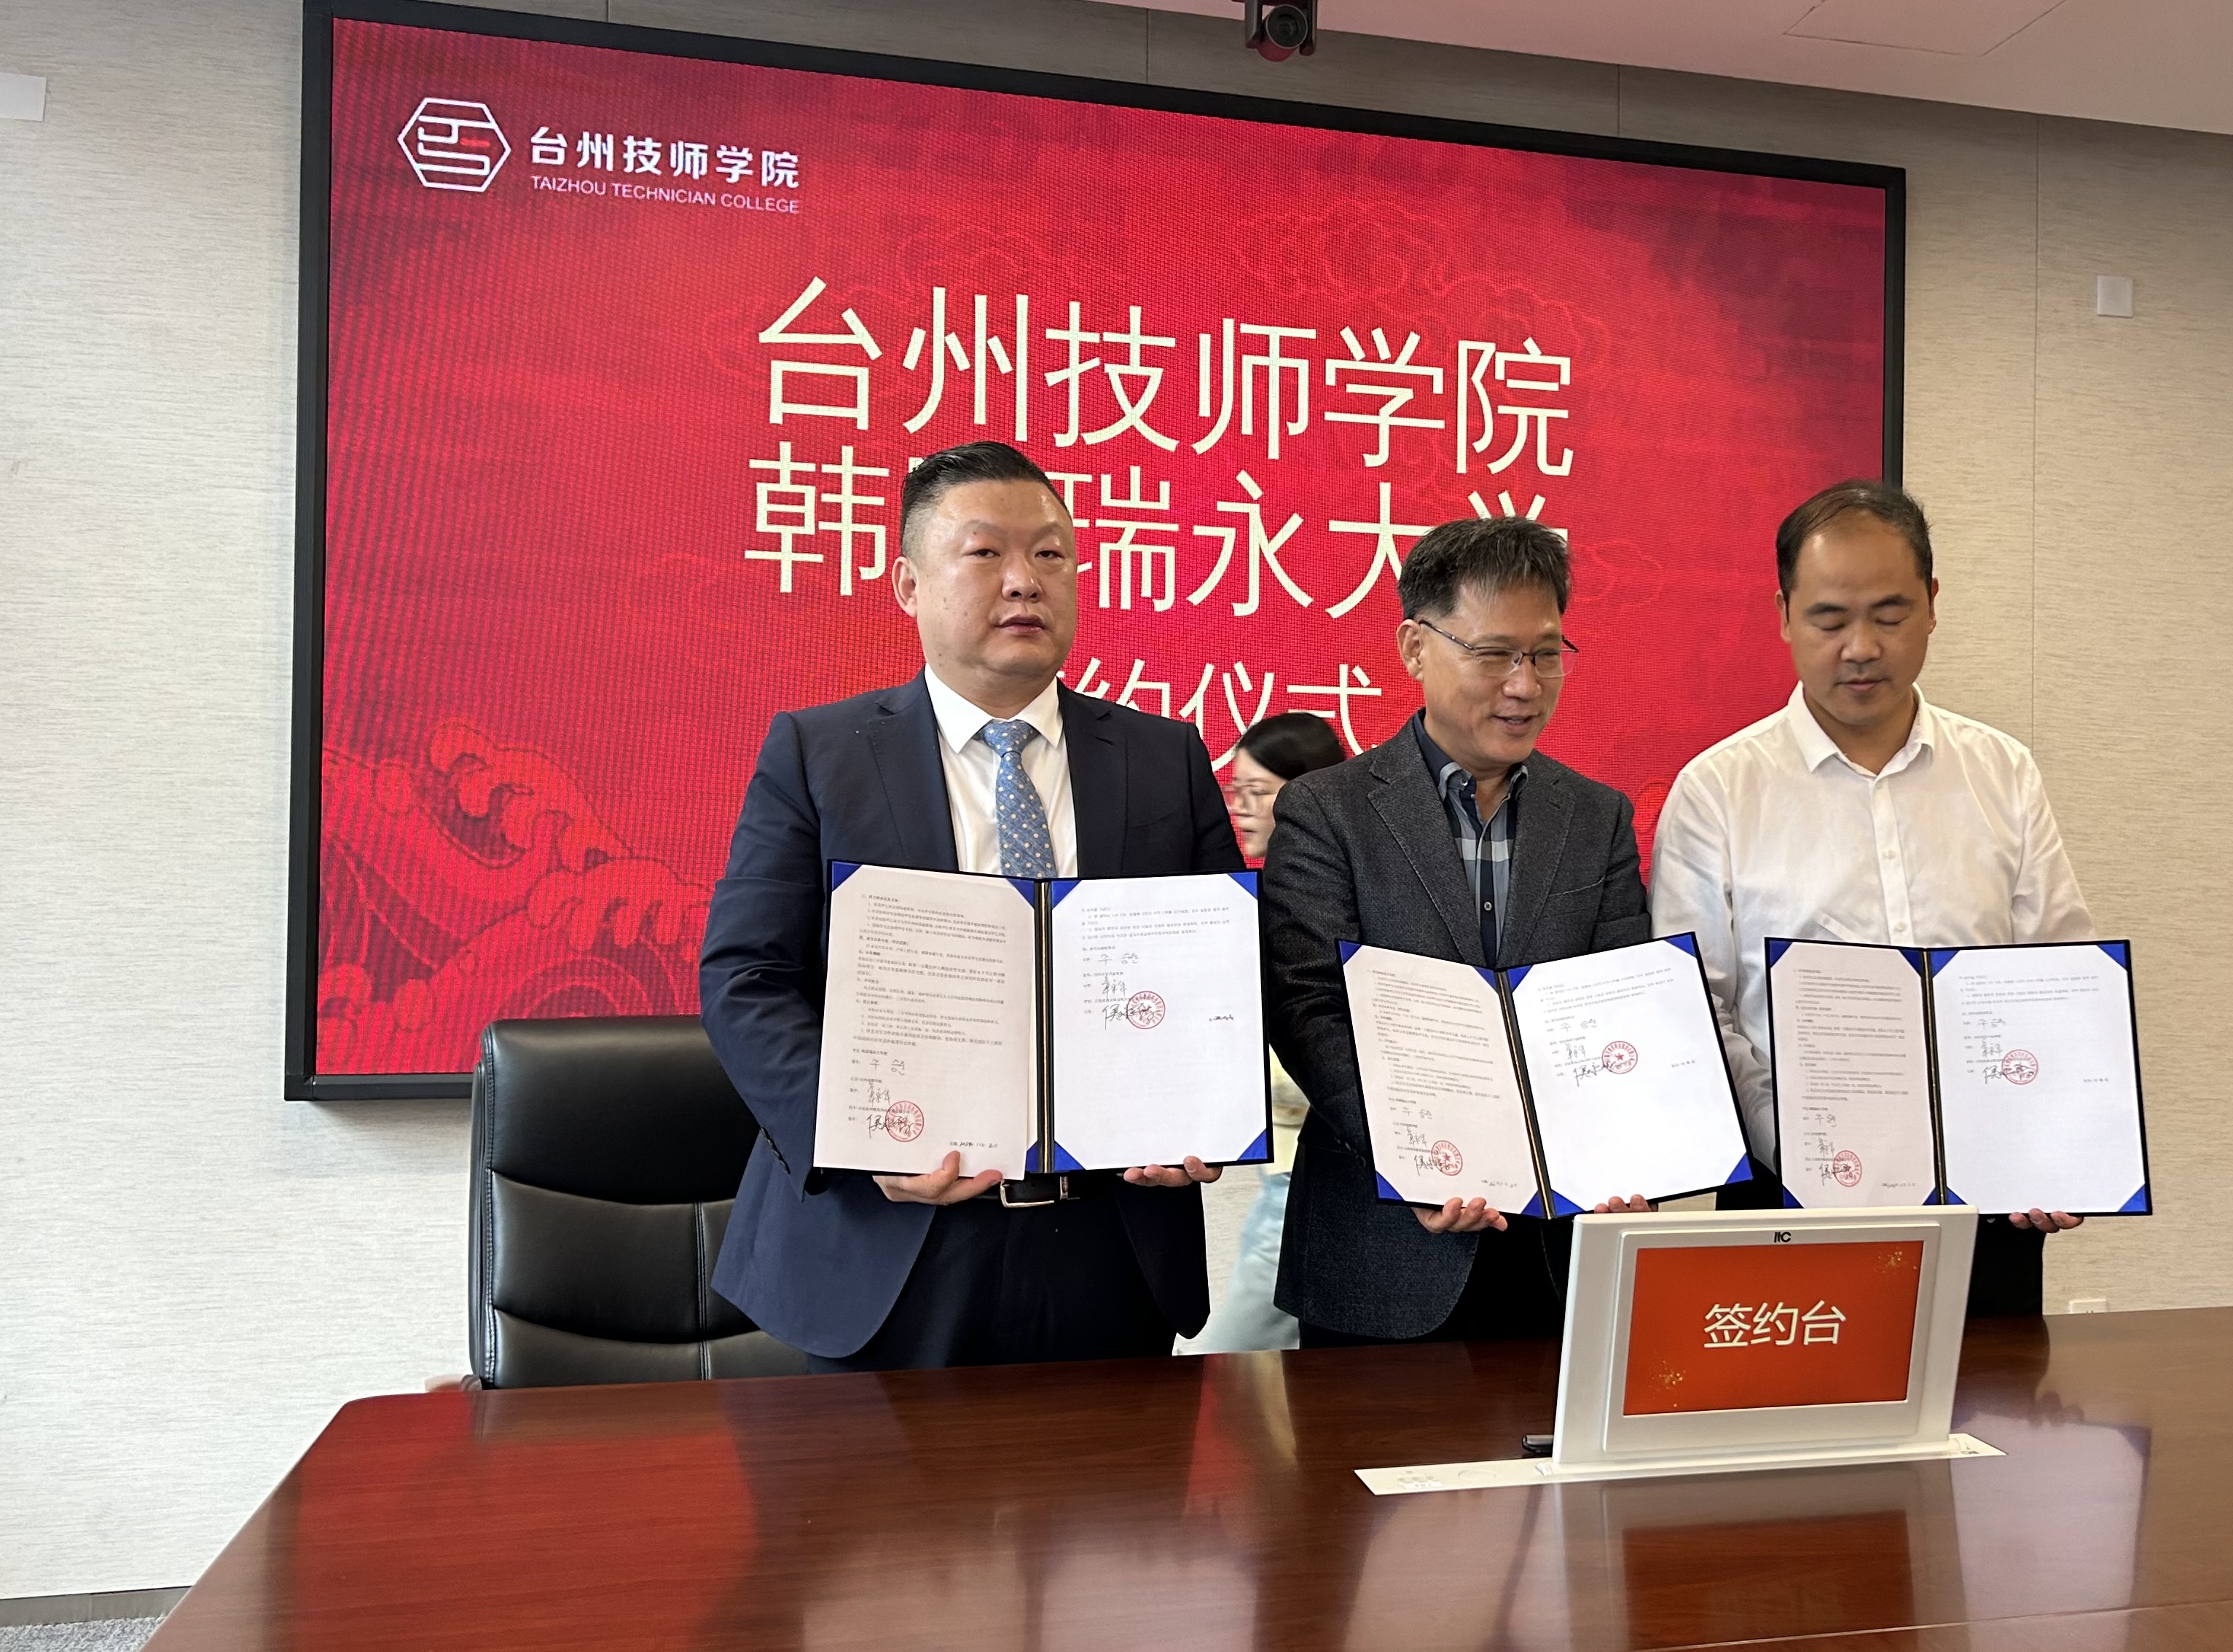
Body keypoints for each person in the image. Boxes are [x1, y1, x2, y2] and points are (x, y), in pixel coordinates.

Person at [699, 438, 1240, 1370]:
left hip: (1111, 1246)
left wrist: (1208, 1111)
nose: (1025, 581)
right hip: (888, 1242)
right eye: (986, 553)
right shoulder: (819, 754)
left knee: (1119, 1474)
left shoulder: (1165, 758)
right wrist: (860, 1139)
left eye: (1051, 554)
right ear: (909, 585)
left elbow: (1219, 974)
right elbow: (747, 978)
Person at [1649, 479, 2095, 1317]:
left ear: (1933, 604)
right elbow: (1698, 1008)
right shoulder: (1718, 792)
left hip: (1986, 1192)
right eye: (1829, 620)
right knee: (1792, 1402)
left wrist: (2056, 1148)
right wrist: (1802, 1151)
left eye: (1890, 615)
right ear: (1784, 616)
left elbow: (2058, 976)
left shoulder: (2002, 772)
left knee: (1992, 1398)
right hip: (1792, 1201)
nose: (1861, 647)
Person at [1262, 516, 1652, 1346]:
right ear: (1415, 647)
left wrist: (1629, 1153)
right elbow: (1307, 1008)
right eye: (1494, 654)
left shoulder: (1598, 818)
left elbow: (1620, 1005)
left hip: (1557, 1249)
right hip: (1383, 1242)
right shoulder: (1328, 811)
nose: (1524, 685)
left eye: (1545, 655)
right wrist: (1419, 1157)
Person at [1189, 712, 1348, 1353]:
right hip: (1281, 1182)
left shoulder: (1332, 909)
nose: (1241, 808)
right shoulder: (1246, 900)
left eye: (1259, 791)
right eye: (1235, 791)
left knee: (1224, 1363)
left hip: (1316, 1179)